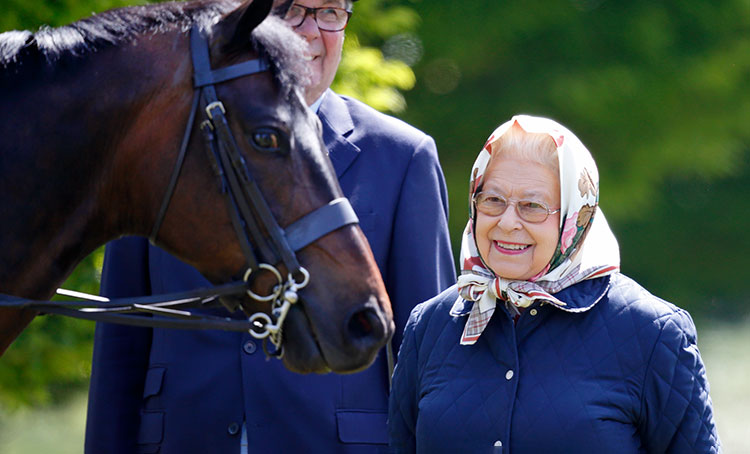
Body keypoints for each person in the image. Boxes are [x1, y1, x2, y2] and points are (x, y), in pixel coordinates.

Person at [84, 1, 455, 452]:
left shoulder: (403, 156)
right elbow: (120, 337)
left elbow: (429, 355)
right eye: (291, 9)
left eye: (330, 12)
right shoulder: (158, 146)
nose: (310, 30)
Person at [388, 115, 720, 453]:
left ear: (575, 217)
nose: (506, 222)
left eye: (532, 206)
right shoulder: (430, 325)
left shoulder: (653, 332)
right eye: (493, 200)